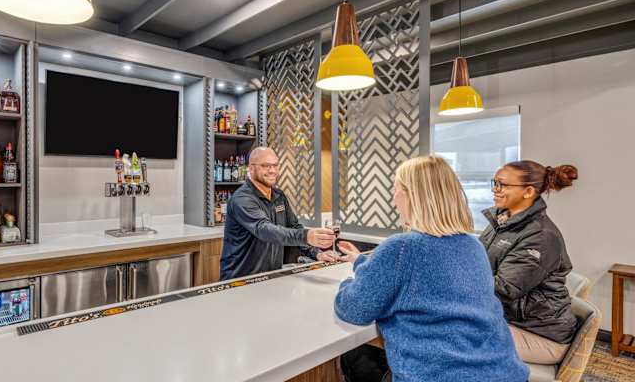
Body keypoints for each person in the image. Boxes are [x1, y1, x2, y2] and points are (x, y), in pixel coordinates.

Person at [334, 156, 528, 382]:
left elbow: (354, 309)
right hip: (505, 372)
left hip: (440, 376)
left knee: (354, 360)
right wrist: (361, 262)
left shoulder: (402, 247)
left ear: (412, 195)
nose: (393, 197)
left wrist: (347, 282)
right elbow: (422, 280)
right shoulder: (473, 245)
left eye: (395, 189)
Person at [481, 160, 579, 365]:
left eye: (502, 184)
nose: (495, 189)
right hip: (508, 318)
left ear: (528, 192)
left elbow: (504, 288)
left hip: (539, 334)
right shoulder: (501, 221)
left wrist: (455, 278)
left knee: (455, 341)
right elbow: (479, 261)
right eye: (495, 183)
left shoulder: (541, 235)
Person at [220, 147, 337, 280]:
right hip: (240, 279)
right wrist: (306, 236)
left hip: (270, 276)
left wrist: (316, 253)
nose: (272, 171)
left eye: (275, 165)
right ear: (251, 168)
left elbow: (294, 227)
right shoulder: (242, 199)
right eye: (266, 166)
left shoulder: (279, 196)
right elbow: (264, 229)